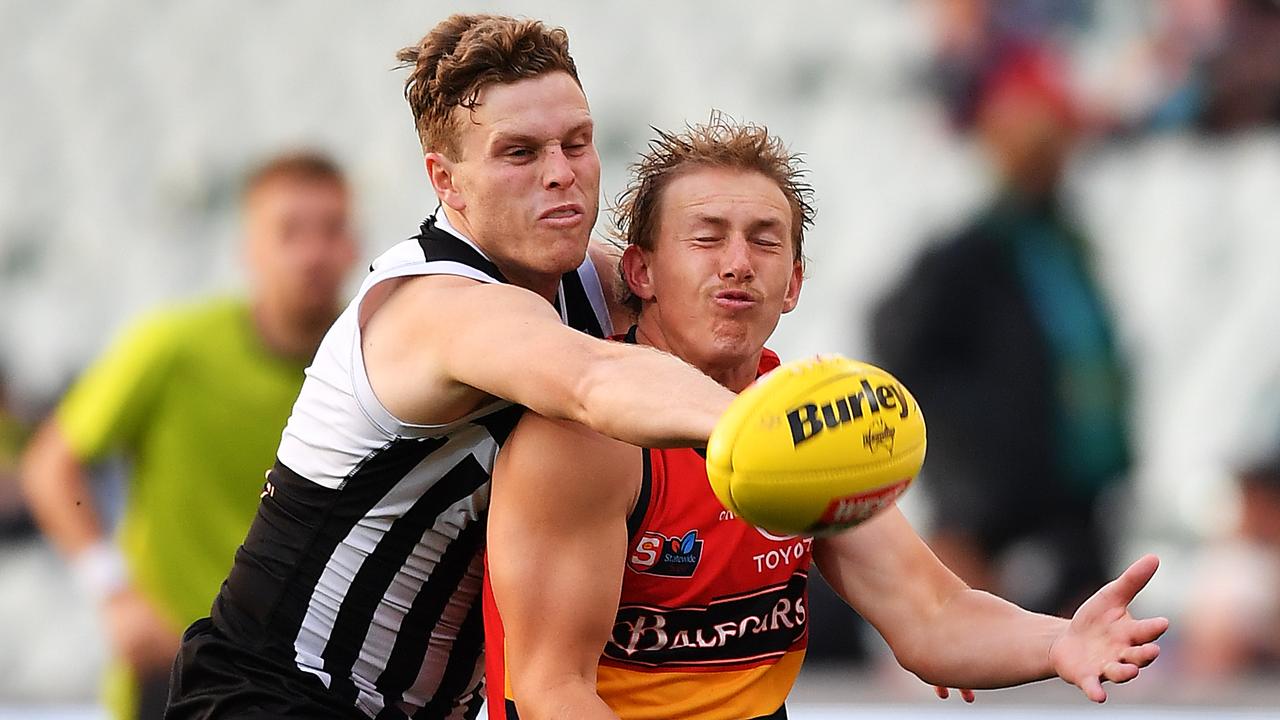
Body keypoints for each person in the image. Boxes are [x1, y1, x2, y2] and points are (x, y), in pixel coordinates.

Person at [484, 116, 1169, 720]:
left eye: (764, 240)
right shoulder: (585, 440)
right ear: (641, 271)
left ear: (795, 283)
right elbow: (553, 693)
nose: (738, 265)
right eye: (706, 238)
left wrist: (1060, 642)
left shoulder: (811, 429)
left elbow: (932, 614)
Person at [166, 14, 742, 720]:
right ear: (447, 180)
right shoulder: (435, 306)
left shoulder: (594, 283)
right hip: (277, 696)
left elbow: (718, 326)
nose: (561, 173)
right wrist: (766, 428)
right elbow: (593, 383)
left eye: (577, 143)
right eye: (520, 153)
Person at [19, 151, 358, 719]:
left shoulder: (375, 366)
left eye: (332, 230)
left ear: (353, 245)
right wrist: (115, 593)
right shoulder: (174, 348)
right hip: (177, 673)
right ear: (248, 249)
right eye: (290, 232)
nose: (313, 253)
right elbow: (51, 465)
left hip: (316, 684)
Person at [872, 46, 1132, 616]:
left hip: (1071, 471)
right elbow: (898, 339)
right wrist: (962, 442)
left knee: (1080, 631)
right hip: (991, 481)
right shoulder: (974, 249)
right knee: (968, 622)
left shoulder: (1063, 241)